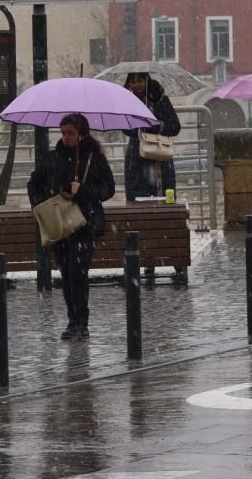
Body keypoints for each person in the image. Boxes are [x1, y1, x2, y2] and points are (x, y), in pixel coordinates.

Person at [27, 113, 116, 341]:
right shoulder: (53, 158)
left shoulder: (93, 158)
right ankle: (72, 320)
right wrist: (45, 203)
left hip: (85, 224)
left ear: (82, 134)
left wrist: (83, 190)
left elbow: (108, 189)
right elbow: (34, 184)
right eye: (63, 132)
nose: (65, 137)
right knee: (66, 274)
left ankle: (81, 322)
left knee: (78, 272)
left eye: (71, 133)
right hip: (59, 225)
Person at [122, 72, 182, 202]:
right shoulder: (127, 101)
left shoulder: (161, 99)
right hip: (136, 158)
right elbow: (125, 128)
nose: (136, 85)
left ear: (147, 80)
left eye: (140, 80)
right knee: (137, 200)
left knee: (164, 198)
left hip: (160, 157)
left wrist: (159, 126)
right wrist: (141, 127)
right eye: (133, 81)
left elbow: (175, 126)